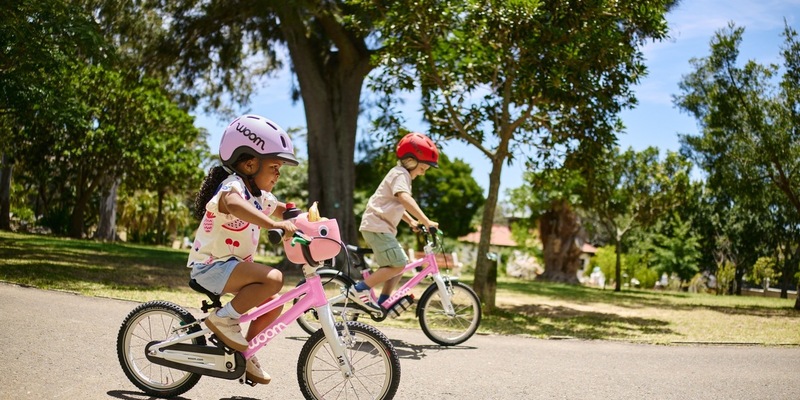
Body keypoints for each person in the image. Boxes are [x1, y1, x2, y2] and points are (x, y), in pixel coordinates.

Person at [188, 114, 299, 385]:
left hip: (230, 270)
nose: (278, 173)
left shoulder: (259, 197)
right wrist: (273, 223)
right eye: (274, 166)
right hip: (210, 268)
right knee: (273, 278)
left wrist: (310, 221)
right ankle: (223, 319)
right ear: (250, 163)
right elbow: (235, 204)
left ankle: (243, 353)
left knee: (275, 305)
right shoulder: (232, 188)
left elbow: (286, 210)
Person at [351, 132, 440, 312]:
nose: (422, 173)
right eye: (423, 169)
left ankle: (384, 301)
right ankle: (358, 290)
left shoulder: (401, 175)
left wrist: (412, 221)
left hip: (378, 226)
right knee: (398, 264)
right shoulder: (400, 174)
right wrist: (426, 220)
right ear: (411, 161)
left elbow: (397, 203)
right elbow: (404, 199)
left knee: (400, 264)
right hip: (377, 226)